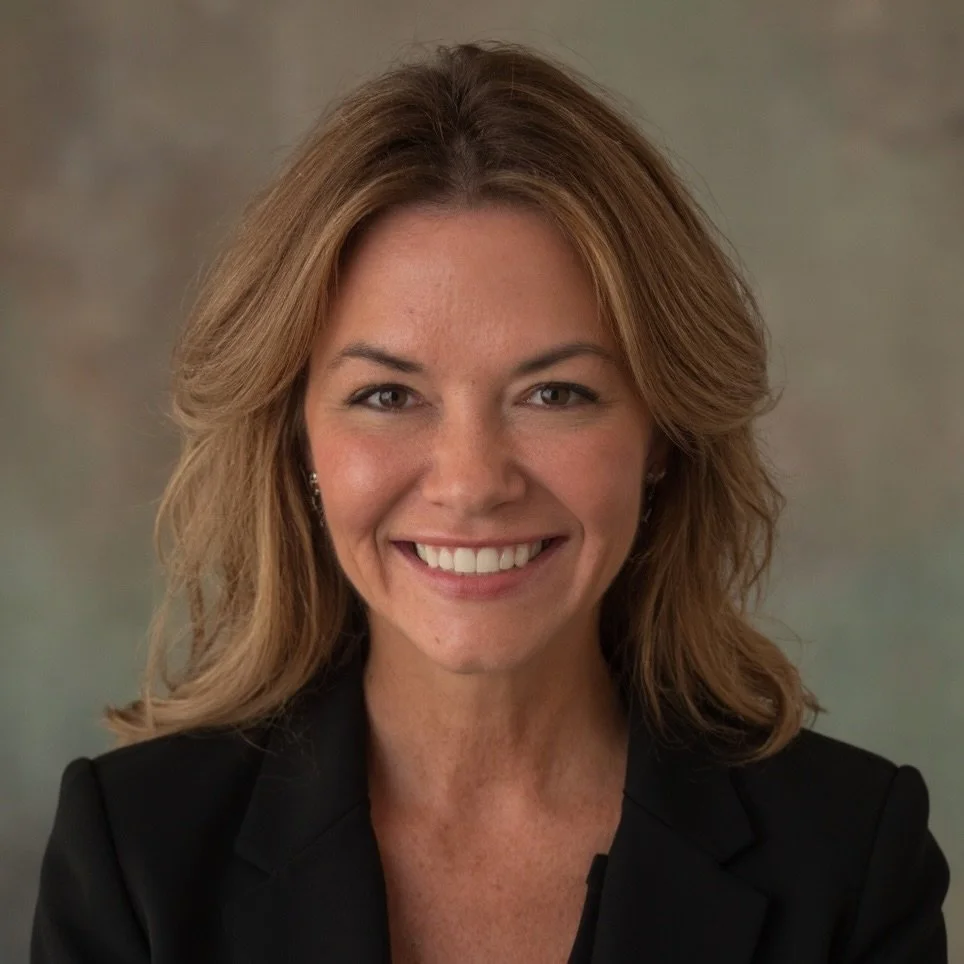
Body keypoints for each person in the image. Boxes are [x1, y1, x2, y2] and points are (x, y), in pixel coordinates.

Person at [30, 41, 949, 964]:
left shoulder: (852, 858)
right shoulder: (134, 852)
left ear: (662, 435)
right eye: (388, 397)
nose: (471, 483)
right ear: (297, 437)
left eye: (555, 394)